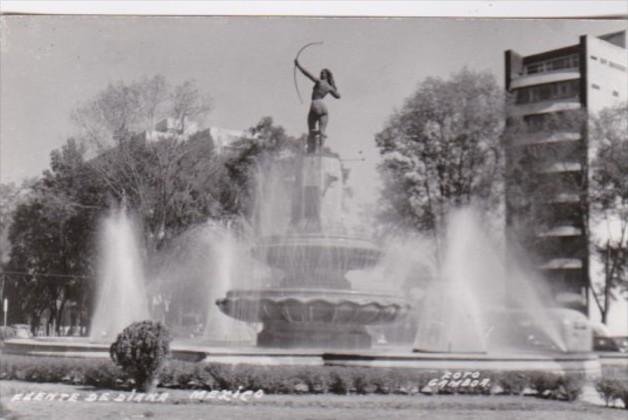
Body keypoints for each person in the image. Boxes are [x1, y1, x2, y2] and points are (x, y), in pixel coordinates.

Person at [294, 58, 341, 153]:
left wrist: (298, 66)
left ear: (326, 75)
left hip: (315, 104)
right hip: (323, 107)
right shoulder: (329, 87)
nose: (321, 74)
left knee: (312, 130)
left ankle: (311, 150)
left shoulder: (319, 82)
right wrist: (334, 88)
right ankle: (320, 150)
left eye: (322, 73)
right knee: (322, 131)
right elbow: (338, 96)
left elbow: (308, 74)